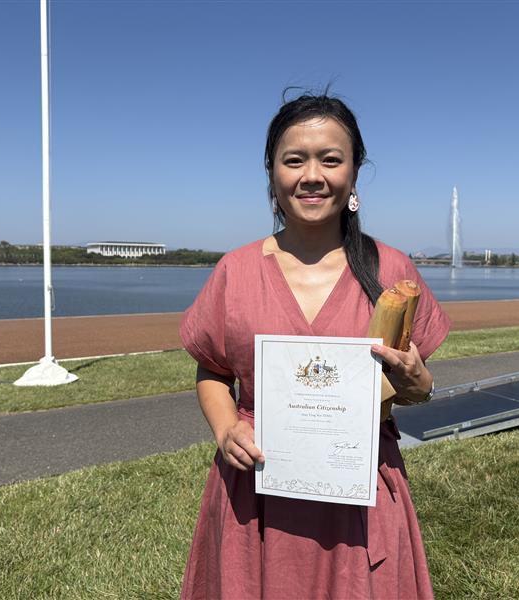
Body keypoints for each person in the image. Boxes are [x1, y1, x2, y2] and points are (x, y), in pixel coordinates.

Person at [179, 92, 451, 599]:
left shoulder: (391, 270)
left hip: (360, 487)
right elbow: (212, 371)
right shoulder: (234, 272)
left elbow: (411, 386)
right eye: (294, 159)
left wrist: (420, 386)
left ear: (353, 172)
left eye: (331, 159)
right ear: (271, 171)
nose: (312, 175)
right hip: (256, 486)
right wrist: (225, 429)